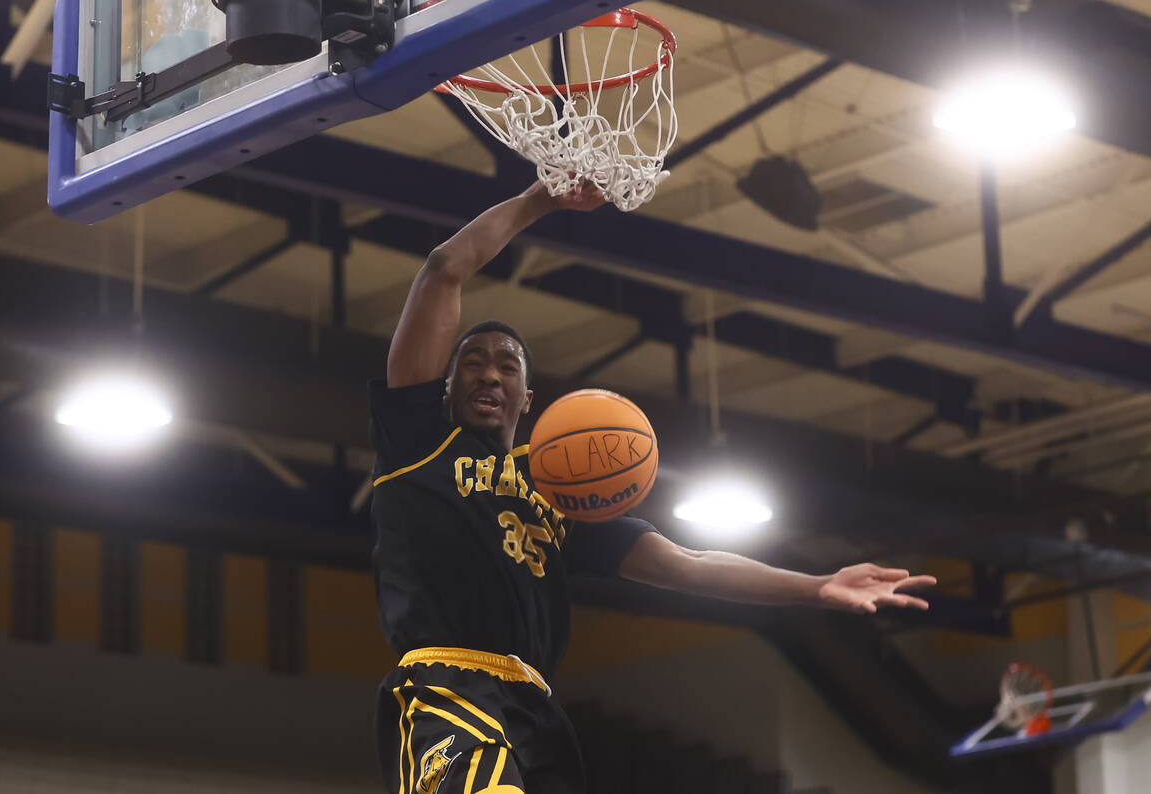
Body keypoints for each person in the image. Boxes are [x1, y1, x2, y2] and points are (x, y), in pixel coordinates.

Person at [369, 180, 936, 794]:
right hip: (447, 688)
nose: (488, 371)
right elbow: (442, 271)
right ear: (444, 387)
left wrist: (818, 585)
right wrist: (541, 200)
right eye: (472, 361)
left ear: (527, 400)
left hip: (534, 704)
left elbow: (688, 563)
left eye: (508, 365)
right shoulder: (420, 440)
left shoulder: (560, 491)